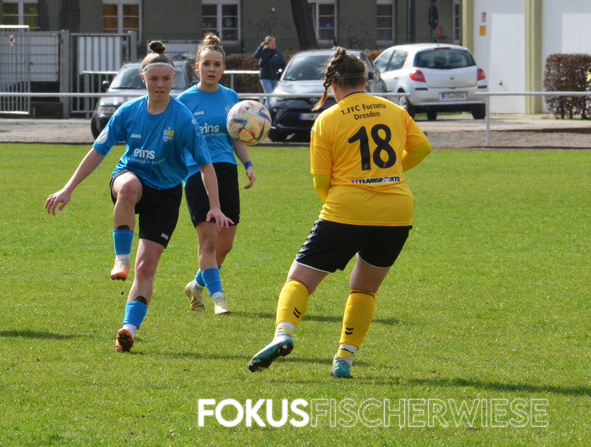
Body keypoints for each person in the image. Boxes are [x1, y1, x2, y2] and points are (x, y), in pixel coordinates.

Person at [247, 47, 431, 378]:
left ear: (333, 85)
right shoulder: (394, 110)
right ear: (365, 80)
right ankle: (344, 359)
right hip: (396, 211)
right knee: (364, 288)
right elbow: (422, 147)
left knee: (299, 279)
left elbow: (321, 182)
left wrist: (347, 194)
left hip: (346, 208)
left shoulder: (328, 119)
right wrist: (389, 173)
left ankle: (284, 333)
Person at [44, 41, 232, 353]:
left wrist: (214, 205)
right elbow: (98, 151)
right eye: (154, 79)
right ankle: (121, 258)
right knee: (129, 188)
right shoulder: (128, 112)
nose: (160, 85)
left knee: (146, 269)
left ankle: (128, 329)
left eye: (166, 79)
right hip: (130, 177)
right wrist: (68, 187)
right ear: (143, 79)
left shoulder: (183, 118)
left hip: (166, 194)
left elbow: (205, 165)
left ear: (173, 80)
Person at [177, 34, 255, 315]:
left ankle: (196, 285)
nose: (212, 69)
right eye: (207, 64)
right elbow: (177, 140)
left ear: (224, 68)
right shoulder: (184, 101)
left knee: (225, 245)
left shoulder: (231, 97)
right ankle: (219, 299)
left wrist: (247, 164)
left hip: (226, 170)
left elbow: (236, 136)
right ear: (197, 67)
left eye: (217, 64)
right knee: (208, 241)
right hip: (197, 172)